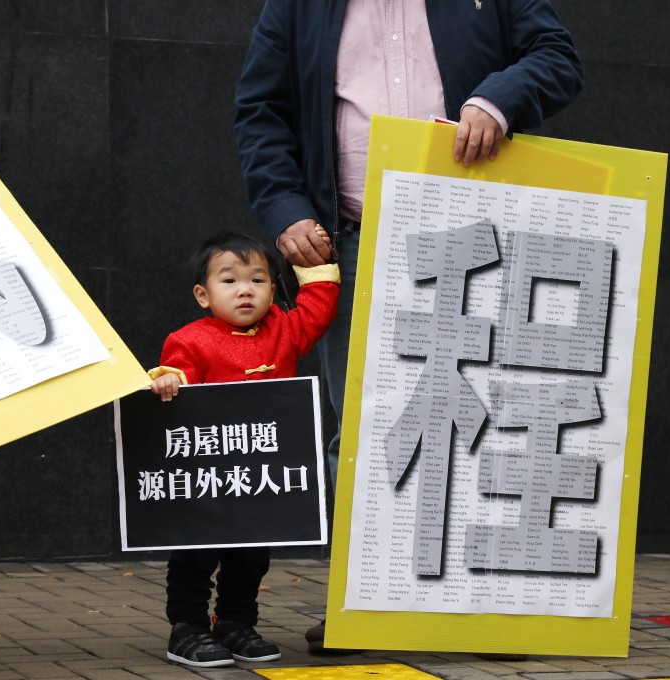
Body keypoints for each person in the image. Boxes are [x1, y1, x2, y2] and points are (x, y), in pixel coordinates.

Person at [234, 0, 583, 654]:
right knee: (365, 430)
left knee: (488, 416)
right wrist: (285, 208)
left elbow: (558, 59)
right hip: (357, 238)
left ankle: (488, 606)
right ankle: (368, 601)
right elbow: (262, 111)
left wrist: (497, 101)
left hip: (481, 230)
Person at [148, 231, 339, 668]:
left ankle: (236, 623)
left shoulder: (285, 331)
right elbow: (175, 372)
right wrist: (167, 379)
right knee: (195, 554)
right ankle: (187, 628)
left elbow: (318, 306)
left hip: (259, 478)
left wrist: (320, 262)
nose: (245, 290)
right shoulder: (190, 338)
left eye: (258, 279)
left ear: (274, 289)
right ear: (203, 294)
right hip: (209, 477)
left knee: (252, 556)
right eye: (230, 280)